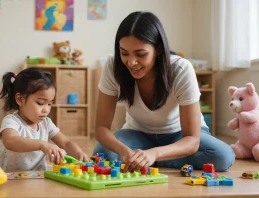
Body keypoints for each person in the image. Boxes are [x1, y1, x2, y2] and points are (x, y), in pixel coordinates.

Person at [93, 11, 235, 172]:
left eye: (141, 54)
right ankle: (148, 159)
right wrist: (124, 152)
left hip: (179, 135)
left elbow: (192, 140)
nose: (131, 62)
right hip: (138, 134)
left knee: (222, 157)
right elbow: (101, 128)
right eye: (124, 53)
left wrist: (155, 154)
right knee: (103, 153)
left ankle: (153, 160)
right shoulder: (113, 67)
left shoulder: (181, 69)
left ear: (159, 49)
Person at [0, 68, 89, 172]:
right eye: (40, 103)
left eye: (49, 104)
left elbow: (66, 143)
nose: (46, 109)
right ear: (20, 99)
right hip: (11, 178)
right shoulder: (11, 121)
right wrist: (42, 145)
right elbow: (10, 141)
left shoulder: (46, 123)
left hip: (38, 177)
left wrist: (78, 153)